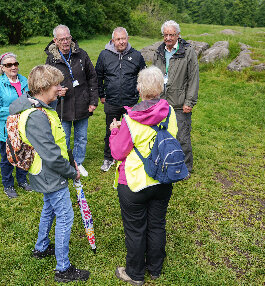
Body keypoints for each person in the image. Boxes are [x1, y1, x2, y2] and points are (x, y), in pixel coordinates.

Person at [9, 65, 90, 283]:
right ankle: (63, 269)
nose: (60, 88)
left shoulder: (41, 107)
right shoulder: (36, 116)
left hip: (47, 171)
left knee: (49, 209)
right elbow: (52, 155)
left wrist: (70, 158)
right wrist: (72, 172)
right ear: (44, 86)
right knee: (65, 216)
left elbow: (57, 143)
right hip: (50, 173)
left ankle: (41, 247)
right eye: (57, 84)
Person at [109, 66, 177, 285]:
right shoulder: (170, 111)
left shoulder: (130, 119)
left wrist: (115, 131)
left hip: (134, 182)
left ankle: (135, 273)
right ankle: (155, 269)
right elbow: (173, 135)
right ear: (161, 88)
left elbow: (118, 152)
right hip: (163, 177)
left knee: (136, 229)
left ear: (139, 88)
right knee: (157, 224)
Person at [44, 24, 98, 177]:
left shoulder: (82, 55)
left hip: (82, 103)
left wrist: (93, 101)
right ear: (55, 40)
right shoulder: (51, 60)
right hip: (62, 106)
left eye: (68, 38)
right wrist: (55, 91)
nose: (66, 42)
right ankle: (66, 165)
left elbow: (92, 77)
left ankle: (78, 162)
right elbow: (46, 84)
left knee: (81, 137)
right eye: (62, 39)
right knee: (63, 138)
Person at [95, 27, 146, 172]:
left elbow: (143, 76)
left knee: (130, 129)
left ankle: (129, 156)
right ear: (113, 41)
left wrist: (140, 94)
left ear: (127, 38)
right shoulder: (104, 55)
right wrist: (102, 95)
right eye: (118, 39)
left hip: (131, 102)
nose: (121, 42)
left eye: (123, 38)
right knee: (110, 130)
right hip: (111, 101)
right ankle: (108, 157)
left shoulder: (136, 55)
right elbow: (98, 76)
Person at [153, 20, 199, 176]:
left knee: (182, 137)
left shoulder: (188, 51)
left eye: (171, 34)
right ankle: (165, 164)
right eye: (165, 34)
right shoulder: (159, 52)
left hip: (180, 103)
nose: (168, 38)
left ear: (178, 35)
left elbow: (193, 78)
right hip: (161, 102)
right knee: (162, 134)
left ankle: (185, 169)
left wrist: (189, 101)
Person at [0, 52, 32, 199]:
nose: (13, 67)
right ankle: (8, 185)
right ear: (2, 68)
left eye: (15, 64)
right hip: (7, 129)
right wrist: (15, 111)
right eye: (9, 65)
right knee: (7, 158)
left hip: (24, 126)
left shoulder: (25, 80)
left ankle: (22, 180)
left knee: (24, 154)